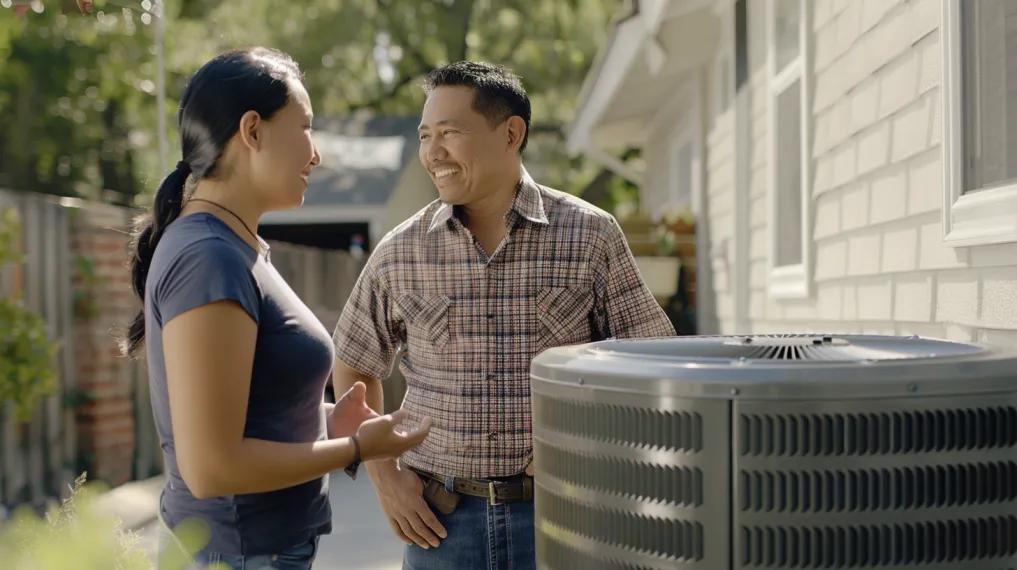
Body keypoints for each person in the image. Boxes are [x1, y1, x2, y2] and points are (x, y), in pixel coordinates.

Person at [331, 61, 675, 569]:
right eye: (426, 135)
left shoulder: (590, 237)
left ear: (511, 133)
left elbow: (650, 364)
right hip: (440, 527)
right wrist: (386, 478)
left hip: (566, 516)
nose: (432, 153)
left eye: (450, 133)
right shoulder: (400, 252)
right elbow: (355, 365)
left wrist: (591, 443)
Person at [124, 47, 431, 569]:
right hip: (239, 553)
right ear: (252, 130)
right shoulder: (209, 257)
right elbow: (211, 467)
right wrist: (357, 449)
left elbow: (247, 416)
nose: (316, 155)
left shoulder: (235, 248)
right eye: (306, 127)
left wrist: (323, 420)